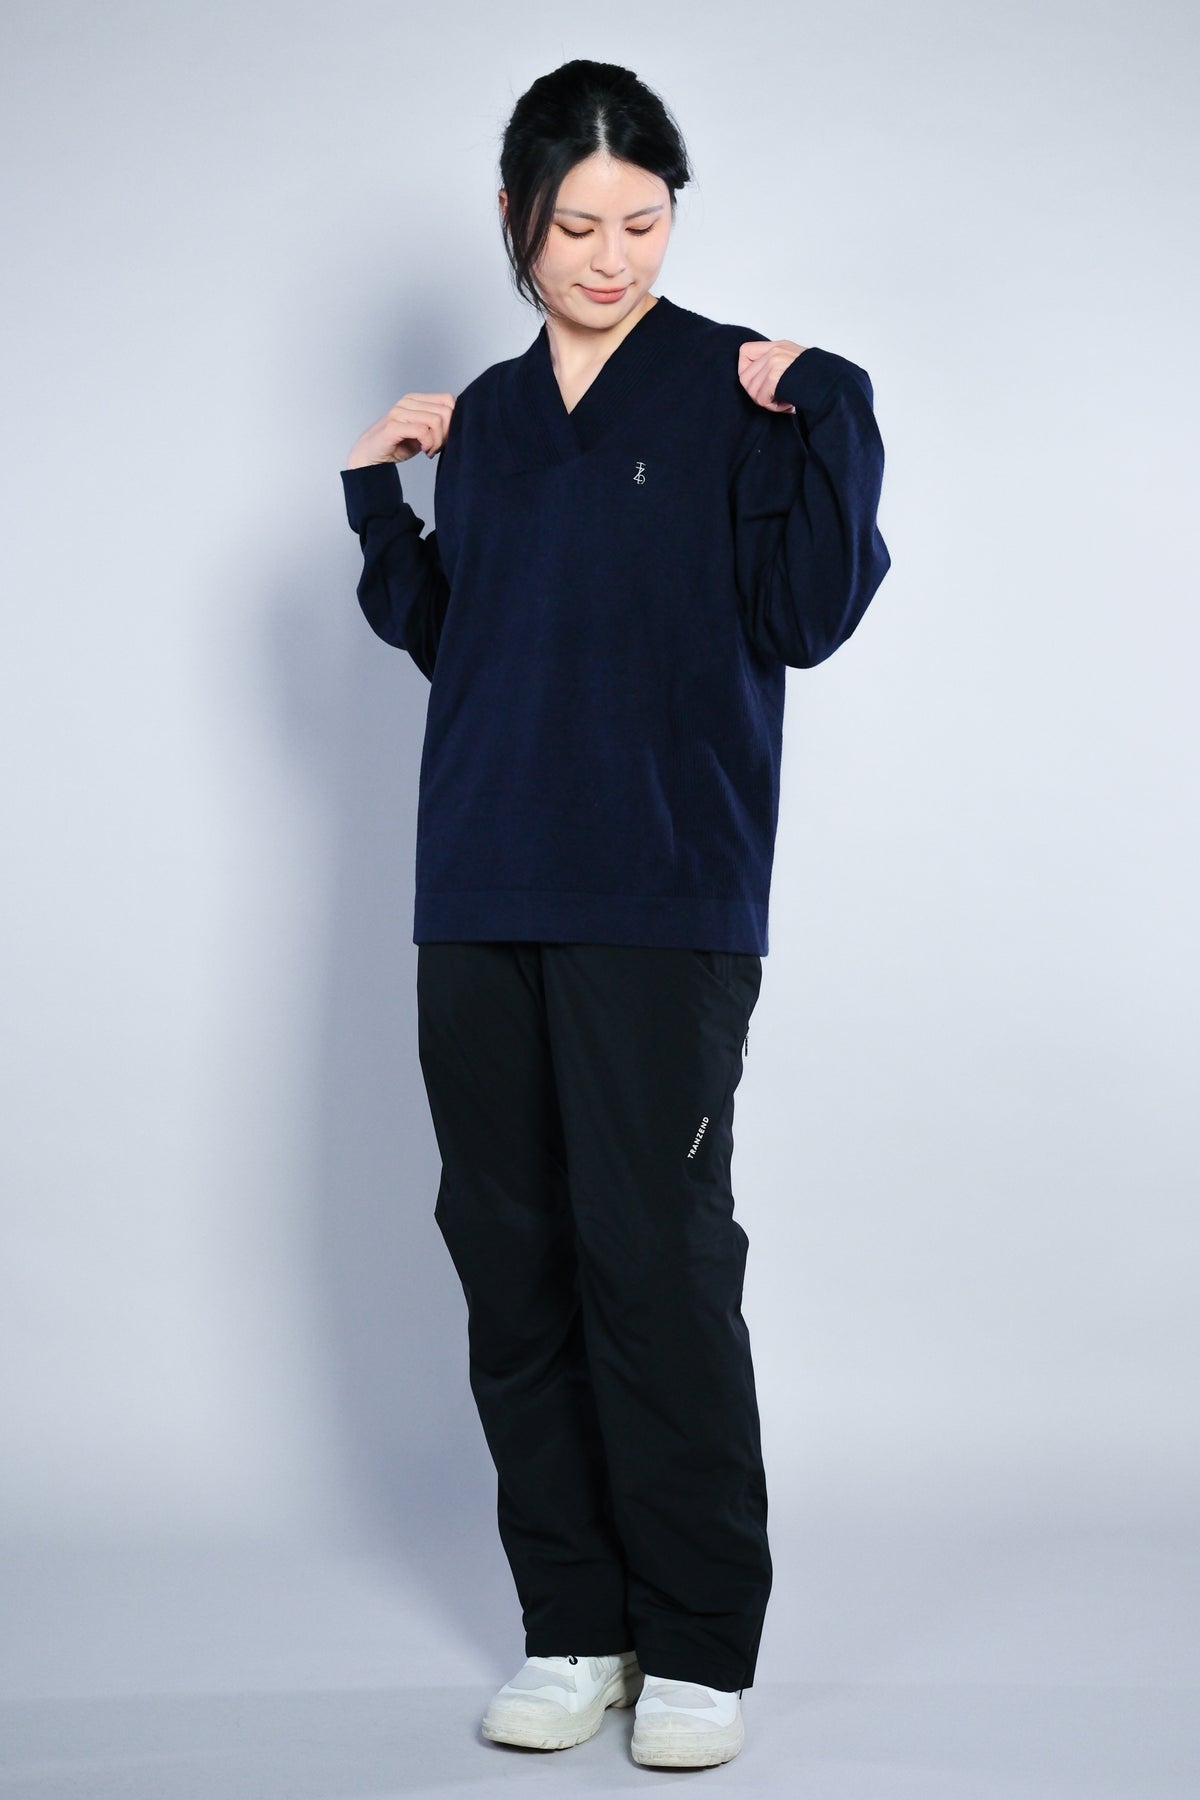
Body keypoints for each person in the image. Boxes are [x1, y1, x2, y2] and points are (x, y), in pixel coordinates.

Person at [340, 57, 891, 1771]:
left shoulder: (737, 390)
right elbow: (465, 645)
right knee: (512, 1260)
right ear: (515, 218)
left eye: (642, 222)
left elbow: (807, 616)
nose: (610, 256)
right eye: (576, 224)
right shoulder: (492, 423)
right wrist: (376, 497)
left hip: (663, 890)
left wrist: (841, 407)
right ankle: (575, 1626)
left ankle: (701, 1642)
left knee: (655, 1261)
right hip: (477, 883)